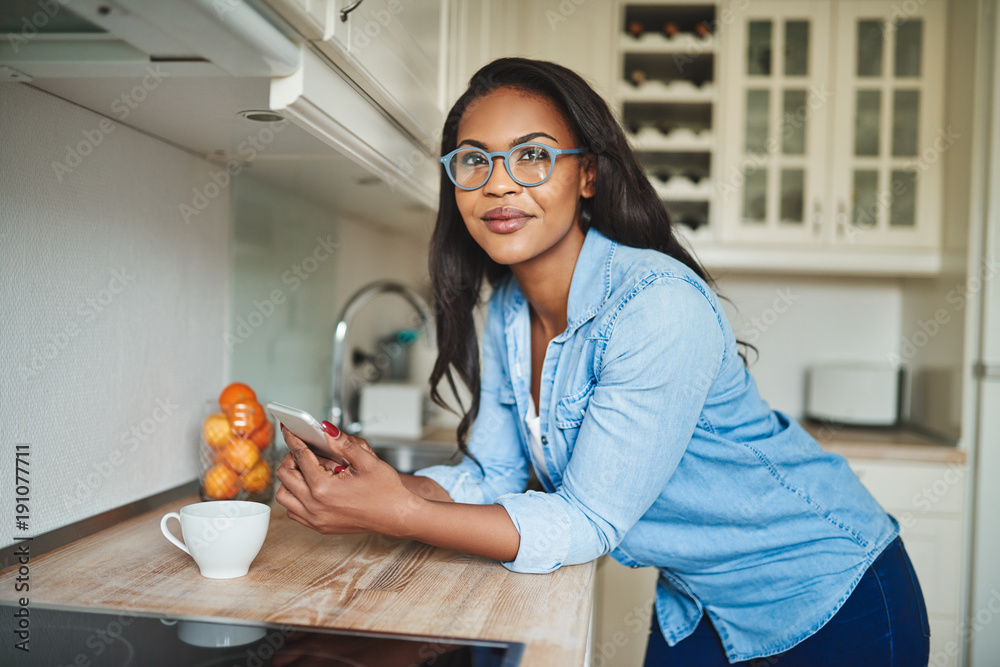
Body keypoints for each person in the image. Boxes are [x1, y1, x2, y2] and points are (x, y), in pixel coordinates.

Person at [274, 57, 930, 666]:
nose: (499, 183)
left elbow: (587, 520)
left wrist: (396, 512)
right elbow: (493, 474)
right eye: (474, 160)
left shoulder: (656, 307)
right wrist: (374, 486)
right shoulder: (506, 309)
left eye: (532, 155)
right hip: (696, 600)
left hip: (828, 591)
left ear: (587, 173)